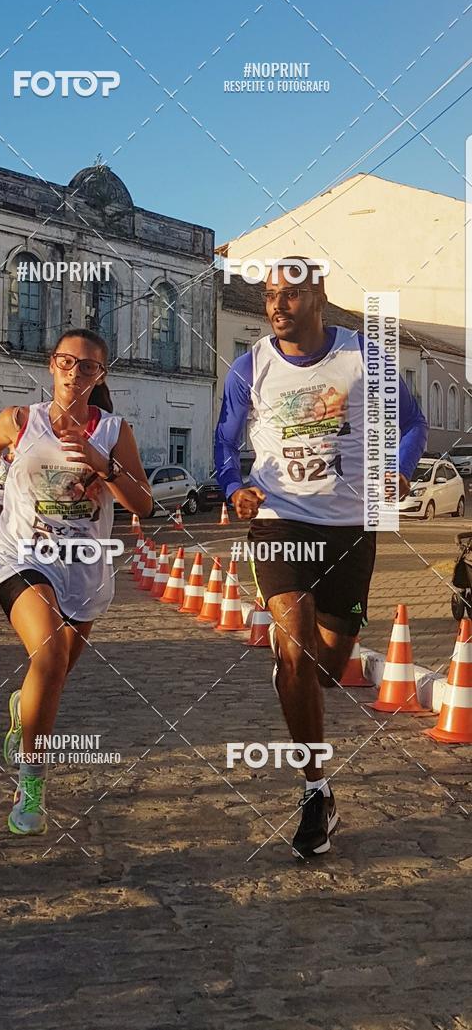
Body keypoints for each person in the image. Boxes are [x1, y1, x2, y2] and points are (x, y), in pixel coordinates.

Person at [215, 259, 427, 859]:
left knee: (328, 667)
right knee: (296, 648)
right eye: (269, 296)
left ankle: (299, 677)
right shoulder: (248, 366)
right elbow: (224, 445)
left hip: (351, 528)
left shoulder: (365, 355)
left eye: (290, 294)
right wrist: (235, 489)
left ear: (319, 297)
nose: (276, 305)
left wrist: (402, 470)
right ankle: (316, 790)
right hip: (280, 521)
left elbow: (412, 424)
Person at [0, 328, 153, 836]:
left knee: (51, 673)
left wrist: (105, 466)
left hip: (85, 568)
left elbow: (142, 504)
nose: (74, 373)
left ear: (100, 375)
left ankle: (22, 705)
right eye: (65, 362)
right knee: (50, 655)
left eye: (88, 366)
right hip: (22, 557)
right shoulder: (21, 421)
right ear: (51, 366)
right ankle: (31, 783)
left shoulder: (115, 431)